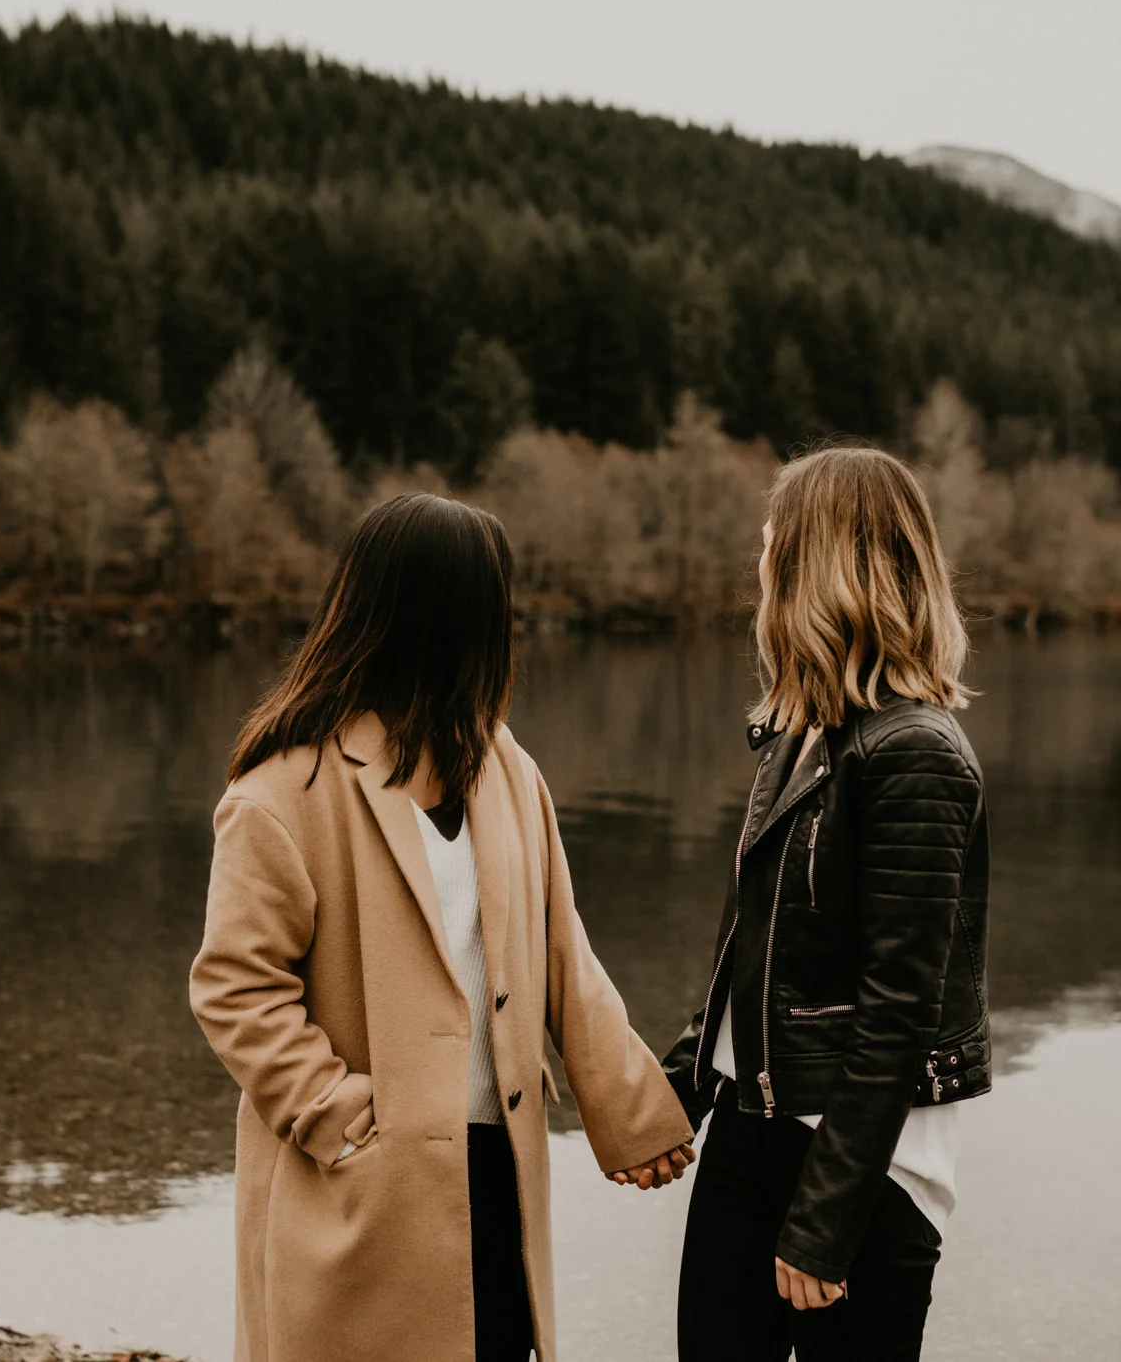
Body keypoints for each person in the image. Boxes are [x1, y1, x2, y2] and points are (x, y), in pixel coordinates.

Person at [189, 493, 696, 1362]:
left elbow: (564, 953)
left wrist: (637, 1116)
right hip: (354, 1187)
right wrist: (341, 1116)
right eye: (500, 601)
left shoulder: (507, 769)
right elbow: (235, 988)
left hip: (498, 1175)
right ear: (450, 616)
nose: (513, 623)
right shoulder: (283, 790)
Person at [661, 446, 991, 1361]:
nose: (760, 562)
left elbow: (899, 1012)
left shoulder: (917, 753)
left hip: (862, 1170)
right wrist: (672, 1099)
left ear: (820, 563)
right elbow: (748, 956)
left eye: (773, 542)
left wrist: (823, 1220)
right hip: (752, 1131)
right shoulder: (799, 735)